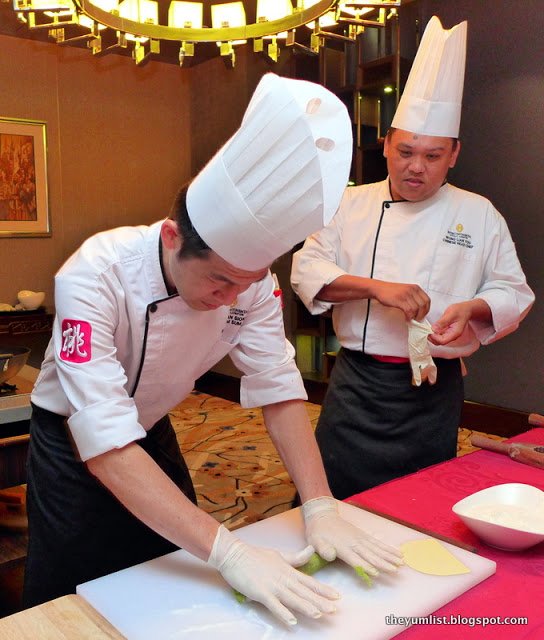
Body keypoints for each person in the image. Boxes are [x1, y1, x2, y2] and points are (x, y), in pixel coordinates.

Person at [23, 73, 403, 627]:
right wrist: (230, 551)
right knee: (71, 594)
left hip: (151, 426)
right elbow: (102, 440)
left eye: (246, 282)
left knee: (172, 566)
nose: (229, 298)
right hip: (68, 439)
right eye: (220, 281)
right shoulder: (94, 273)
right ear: (173, 237)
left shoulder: (251, 284)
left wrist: (319, 502)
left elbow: (278, 386)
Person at [291, 17, 535, 501]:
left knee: (420, 502)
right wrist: (376, 287)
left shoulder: (478, 213)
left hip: (433, 388)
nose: (416, 167)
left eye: (432, 155)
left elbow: (514, 291)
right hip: (358, 383)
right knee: (330, 494)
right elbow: (307, 271)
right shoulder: (349, 202)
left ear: (454, 155)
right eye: (405, 151)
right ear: (386, 145)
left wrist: (475, 309)